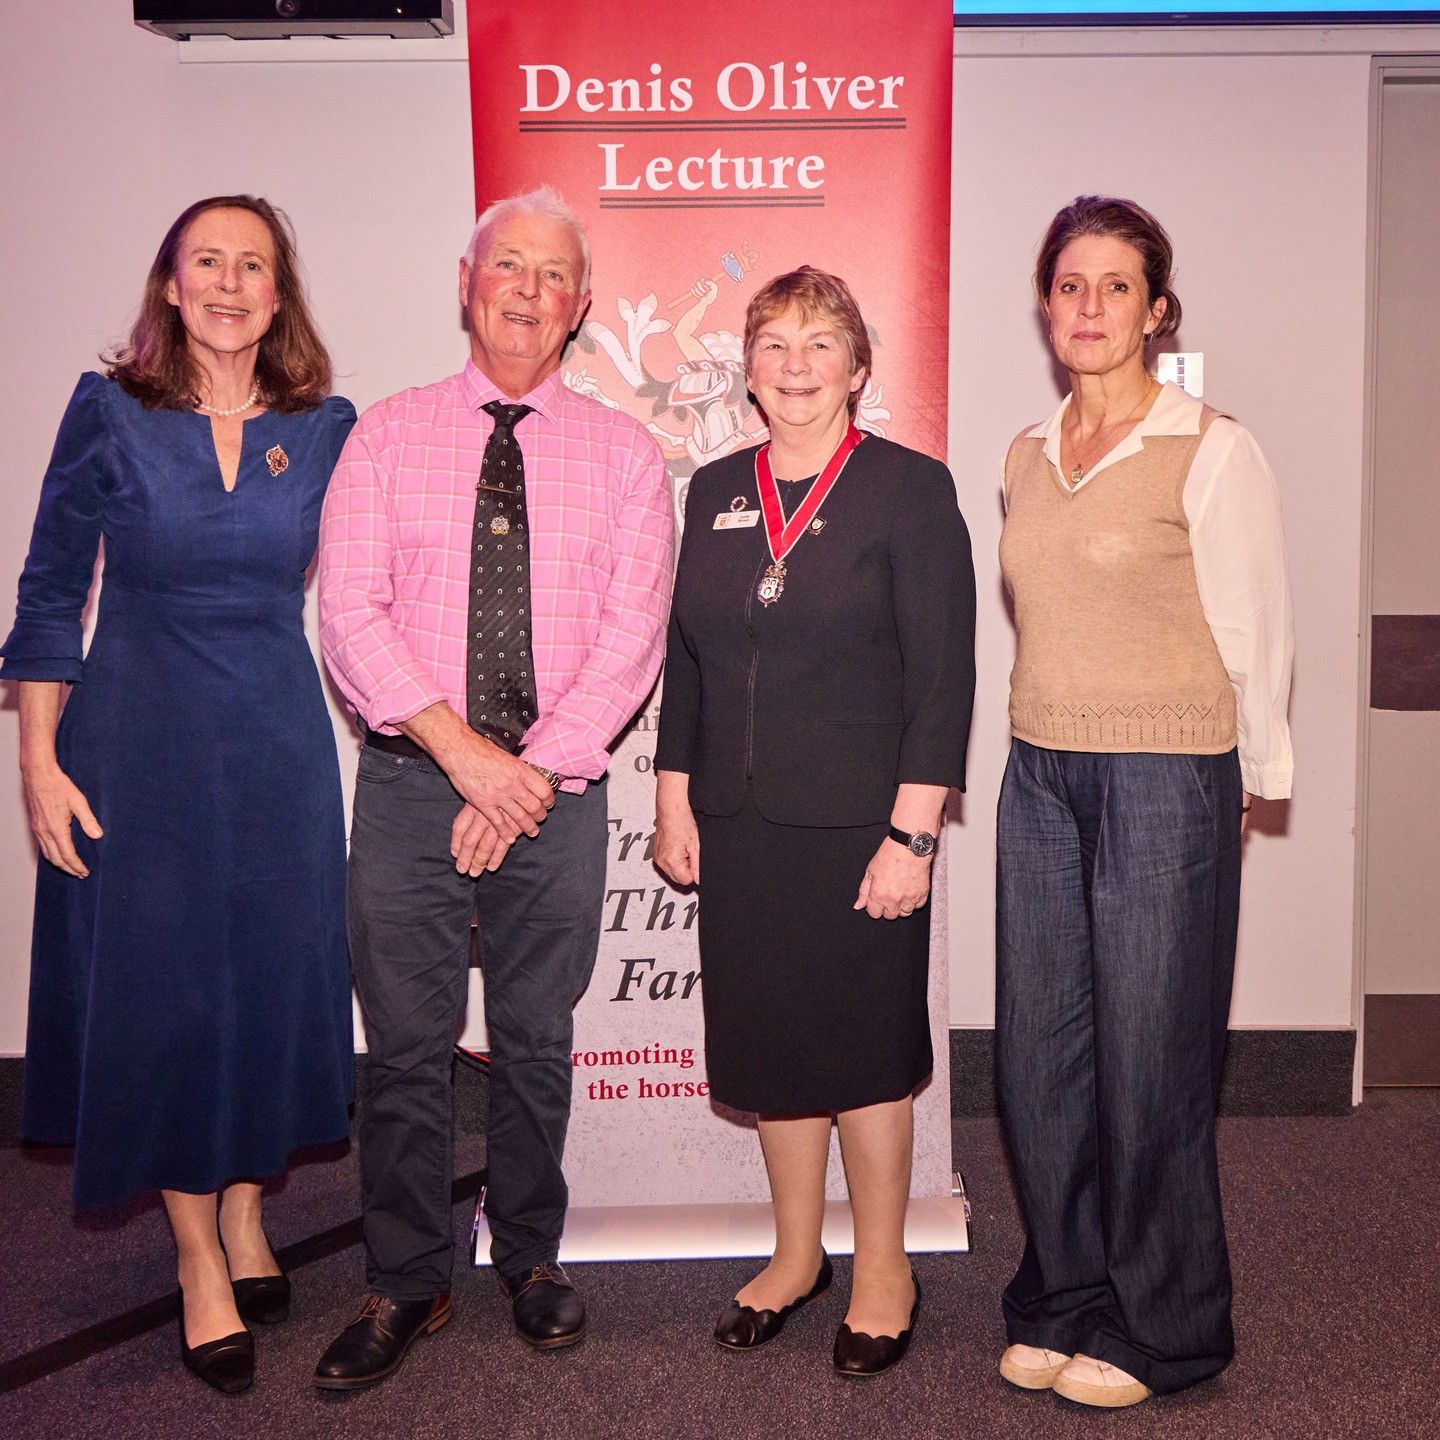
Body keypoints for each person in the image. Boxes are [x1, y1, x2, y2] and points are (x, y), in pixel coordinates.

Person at [313, 185, 674, 1389]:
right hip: (413, 784)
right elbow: (348, 611)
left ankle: (528, 1254)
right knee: (405, 1048)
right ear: (466, 285)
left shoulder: (626, 455)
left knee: (533, 1039)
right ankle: (407, 1279)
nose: (528, 289)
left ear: (581, 306)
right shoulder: (386, 434)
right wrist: (466, 758)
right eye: (507, 265)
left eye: (554, 274)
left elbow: (632, 637)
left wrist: (524, 775)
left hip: (554, 795)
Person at [1, 196, 357, 1395]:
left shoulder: (325, 426)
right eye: (207, 260)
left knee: (267, 982)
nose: (229, 283)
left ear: (277, 293)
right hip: (135, 745)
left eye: (252, 265)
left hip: (276, 747)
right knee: (167, 998)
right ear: (170, 282)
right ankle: (199, 1255)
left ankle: (247, 1211)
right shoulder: (108, 410)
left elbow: (379, 578)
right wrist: (39, 761)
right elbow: (50, 590)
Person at [994, 196, 1294, 1407]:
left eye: (1116, 287)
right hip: (1039, 772)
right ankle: (1066, 1293)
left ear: (1157, 310)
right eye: (1071, 286)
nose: (1090, 308)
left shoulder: (1211, 448)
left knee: (1153, 1060)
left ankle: (1164, 1325)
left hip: (1167, 778)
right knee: (1041, 1057)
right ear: (1047, 305)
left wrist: (1247, 782)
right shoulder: (1024, 454)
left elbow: (1257, 628)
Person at [654, 266, 975, 1377]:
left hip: (860, 829)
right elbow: (688, 661)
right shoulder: (714, 489)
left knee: (864, 1051)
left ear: (858, 367)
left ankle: (883, 1265)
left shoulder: (908, 489)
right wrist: (672, 793)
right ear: (748, 368)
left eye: (820, 343)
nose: (796, 366)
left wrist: (913, 836)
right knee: (773, 1047)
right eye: (775, 344)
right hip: (739, 822)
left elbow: (943, 678)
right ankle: (797, 1257)